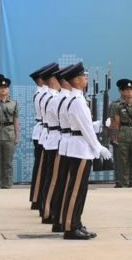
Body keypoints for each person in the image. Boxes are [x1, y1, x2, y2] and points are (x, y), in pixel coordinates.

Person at [56, 63, 112, 239]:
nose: (86, 79)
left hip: (79, 146)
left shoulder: (76, 99)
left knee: (79, 190)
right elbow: (85, 130)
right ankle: (70, 228)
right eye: (84, 77)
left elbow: (84, 125)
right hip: (80, 149)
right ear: (77, 80)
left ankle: (76, 223)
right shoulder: (77, 101)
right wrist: (98, 147)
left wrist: (100, 124)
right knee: (75, 190)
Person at [47, 69, 78, 232]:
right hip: (64, 141)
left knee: (62, 182)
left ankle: (59, 218)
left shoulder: (63, 98)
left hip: (64, 141)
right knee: (62, 183)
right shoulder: (63, 99)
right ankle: (58, 219)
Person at [37, 68, 67, 223]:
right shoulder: (53, 98)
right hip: (55, 138)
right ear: (54, 80)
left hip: (54, 138)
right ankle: (48, 212)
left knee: (52, 178)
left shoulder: (50, 96)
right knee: (53, 179)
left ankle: (49, 209)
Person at [29, 63, 56, 210]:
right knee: (42, 169)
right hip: (44, 132)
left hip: (43, 131)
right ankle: (38, 200)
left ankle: (38, 198)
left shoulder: (43, 93)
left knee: (42, 168)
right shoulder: (45, 94)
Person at [111, 79, 132, 188]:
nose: (129, 92)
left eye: (131, 90)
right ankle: (123, 182)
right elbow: (116, 123)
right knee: (123, 161)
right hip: (123, 135)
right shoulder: (118, 106)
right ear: (122, 92)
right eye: (126, 90)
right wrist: (115, 137)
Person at [0, 74, 18, 189]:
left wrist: (17, 135)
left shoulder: (14, 103)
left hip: (9, 134)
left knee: (8, 161)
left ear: (8, 89)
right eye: (0, 87)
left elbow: (16, 119)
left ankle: (8, 183)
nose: (3, 89)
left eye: (5, 87)